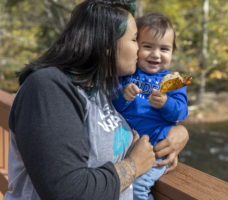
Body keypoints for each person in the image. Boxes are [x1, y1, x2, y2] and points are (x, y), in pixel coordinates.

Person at [5, 1, 188, 200]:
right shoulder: (48, 88)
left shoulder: (104, 88)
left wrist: (179, 133)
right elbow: (67, 192)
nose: (140, 51)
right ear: (107, 45)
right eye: (135, 40)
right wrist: (134, 165)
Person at [112, 12, 188, 200]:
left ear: (172, 51)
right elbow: (115, 107)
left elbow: (181, 113)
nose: (156, 54)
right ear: (136, 46)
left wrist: (166, 104)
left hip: (155, 148)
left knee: (138, 189)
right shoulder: (127, 73)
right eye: (147, 47)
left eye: (164, 49)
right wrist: (124, 97)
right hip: (125, 148)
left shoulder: (174, 81)